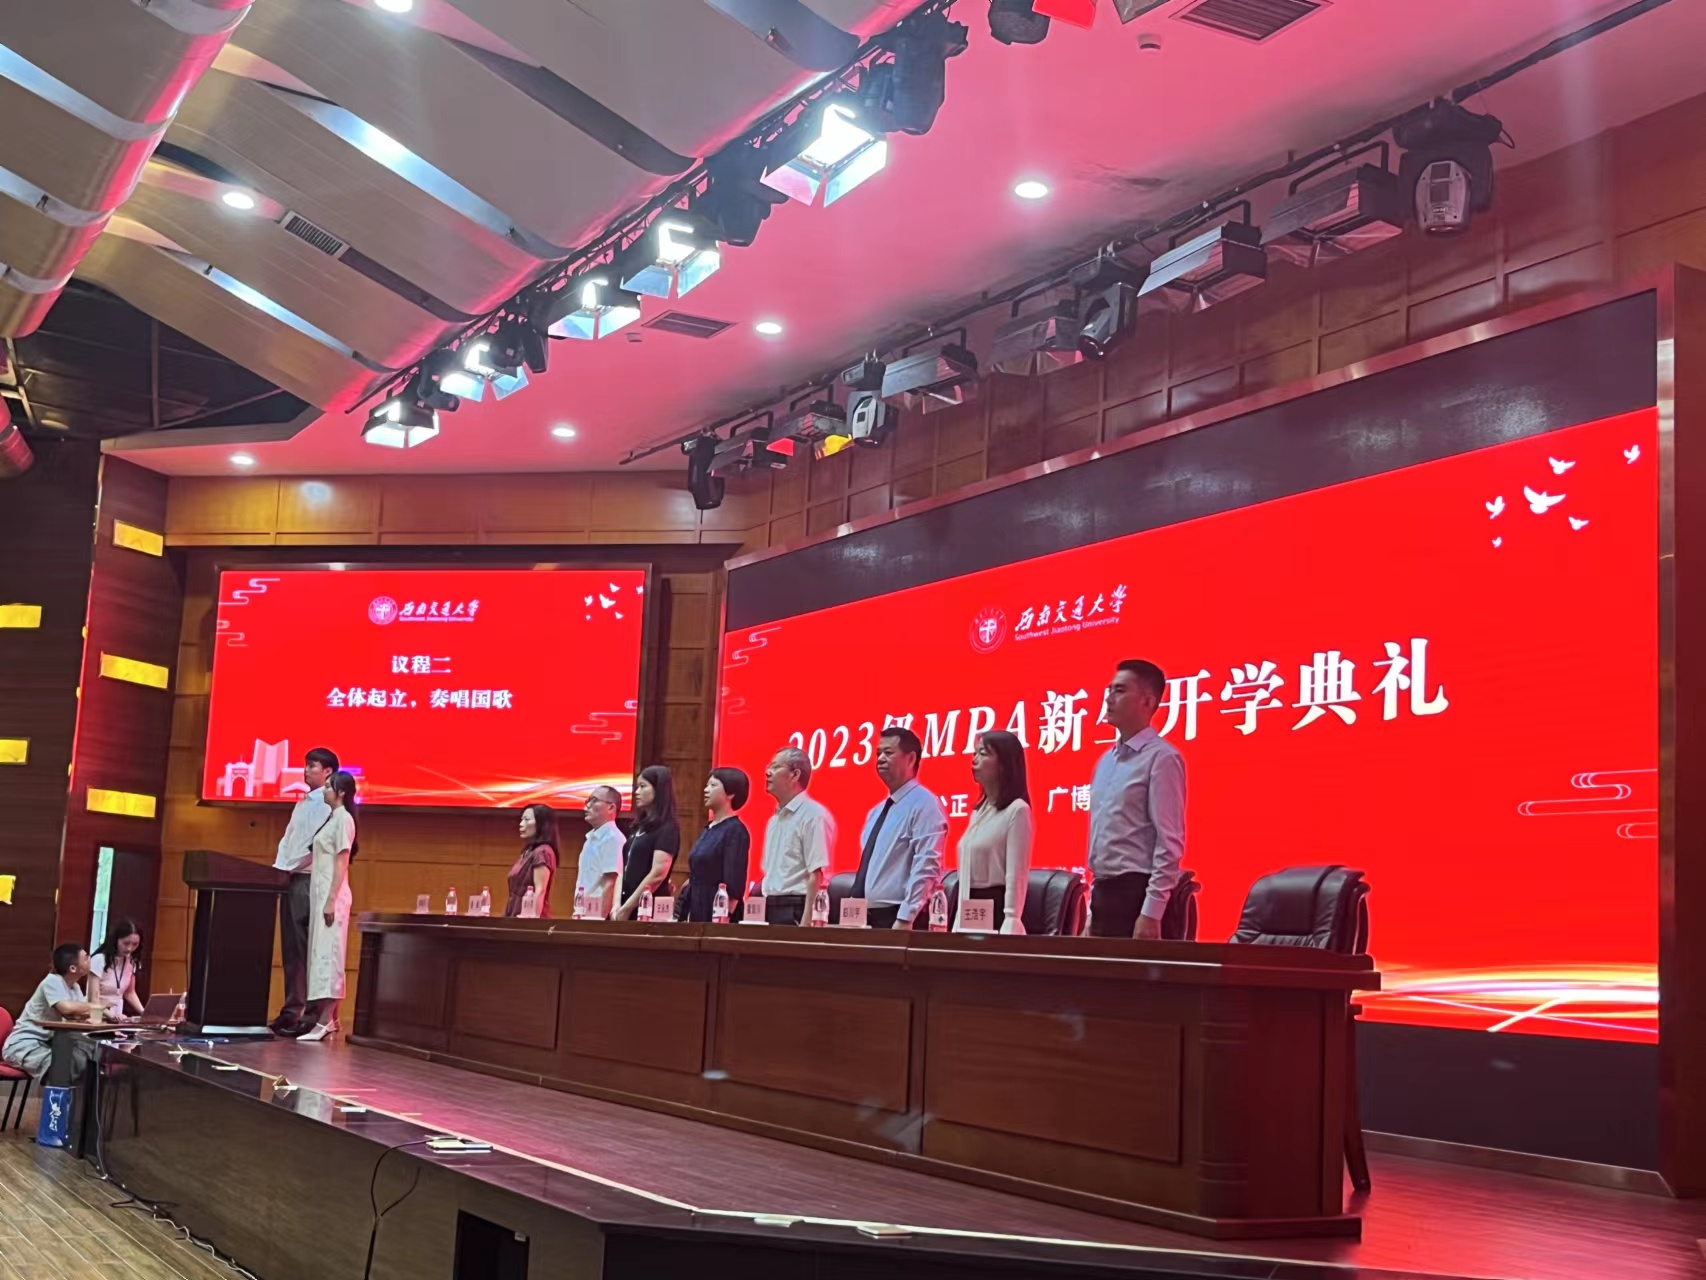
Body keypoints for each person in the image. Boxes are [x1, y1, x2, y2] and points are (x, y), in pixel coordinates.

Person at [1087, 659, 1187, 939]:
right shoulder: (1105, 761)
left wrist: (1152, 912)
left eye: (1120, 690)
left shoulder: (1162, 758)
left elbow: (1169, 842)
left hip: (1136, 895)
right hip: (1102, 893)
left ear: (1147, 702)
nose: (1109, 698)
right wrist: (1091, 913)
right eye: (1109, 690)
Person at [270, 746, 338, 1036]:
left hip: (308, 880)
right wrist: (278, 868)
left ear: (328, 772)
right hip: (289, 878)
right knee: (291, 949)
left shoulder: (327, 804)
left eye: (312, 766)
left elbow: (314, 846)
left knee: (309, 950)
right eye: (306, 765)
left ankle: (312, 1015)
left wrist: (290, 868)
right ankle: (291, 1010)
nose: (306, 770)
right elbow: (288, 840)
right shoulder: (302, 802)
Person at [850, 726, 945, 930]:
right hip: (864, 917)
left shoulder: (925, 803)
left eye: (888, 753)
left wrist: (906, 917)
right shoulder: (876, 812)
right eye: (878, 753)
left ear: (910, 759)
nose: (880, 759)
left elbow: (927, 864)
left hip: (897, 917)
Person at [297, 770, 357, 1043]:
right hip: (320, 894)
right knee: (320, 955)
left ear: (341, 792)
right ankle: (331, 1018)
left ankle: (324, 1021)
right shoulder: (332, 818)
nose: (325, 791)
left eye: (330, 787)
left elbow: (342, 861)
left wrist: (331, 899)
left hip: (332, 896)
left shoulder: (344, 819)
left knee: (330, 957)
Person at [956, 731, 1033, 935]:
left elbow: (1016, 874)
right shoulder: (978, 812)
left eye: (983, 753)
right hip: (968, 906)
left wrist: (1011, 919)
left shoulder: (1017, 810)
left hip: (996, 909)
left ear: (1003, 764)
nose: (974, 759)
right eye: (974, 753)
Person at [2, 944, 104, 1083]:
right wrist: (98, 1006)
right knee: (63, 1069)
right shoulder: (52, 981)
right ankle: (61, 1096)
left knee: (89, 1055)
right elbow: (66, 1008)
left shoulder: (74, 987)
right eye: (86, 958)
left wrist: (108, 1016)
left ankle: (83, 1096)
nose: (90, 960)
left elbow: (80, 1014)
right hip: (24, 1045)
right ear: (73, 968)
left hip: (48, 1044)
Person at [759, 747, 835, 926]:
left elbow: (817, 874)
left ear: (795, 775)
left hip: (796, 907)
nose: (767, 772)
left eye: (776, 767)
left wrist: (806, 923)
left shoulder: (813, 815)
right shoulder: (774, 820)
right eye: (769, 767)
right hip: (770, 905)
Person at [675, 768, 750, 923]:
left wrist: (725, 916)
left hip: (718, 912)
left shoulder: (735, 831)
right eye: (707, 785)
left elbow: (734, 883)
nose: (706, 790)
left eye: (713, 785)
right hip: (697, 907)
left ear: (731, 793)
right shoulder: (709, 828)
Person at [613, 766, 680, 920]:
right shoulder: (638, 827)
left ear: (659, 790)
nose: (637, 792)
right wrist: (617, 904)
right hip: (625, 905)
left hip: (647, 909)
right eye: (637, 787)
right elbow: (623, 869)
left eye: (643, 786)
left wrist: (628, 907)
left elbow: (658, 873)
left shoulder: (667, 828)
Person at [574, 787, 623, 918]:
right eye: (588, 800)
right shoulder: (590, 838)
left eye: (594, 800)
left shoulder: (613, 838)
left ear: (611, 808)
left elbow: (611, 882)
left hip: (596, 917)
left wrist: (597, 921)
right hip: (583, 913)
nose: (587, 805)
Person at [506, 804, 560, 917]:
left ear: (541, 824)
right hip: (515, 915)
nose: (521, 824)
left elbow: (540, 890)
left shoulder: (543, 852)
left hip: (529, 918)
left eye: (527, 820)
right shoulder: (528, 852)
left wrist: (532, 923)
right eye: (521, 820)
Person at [88, 918, 147, 1021]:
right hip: (98, 1015)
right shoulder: (99, 959)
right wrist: (111, 1015)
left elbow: (129, 993)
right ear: (116, 940)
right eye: (126, 943)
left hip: (117, 1015)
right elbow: (93, 999)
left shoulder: (132, 962)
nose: (129, 948)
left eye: (135, 944)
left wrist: (144, 1013)